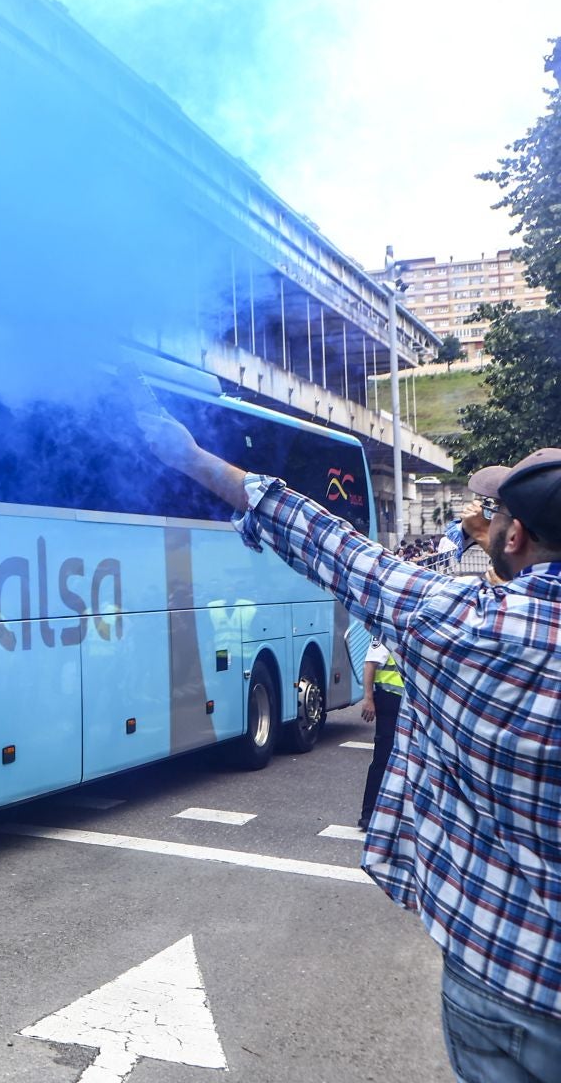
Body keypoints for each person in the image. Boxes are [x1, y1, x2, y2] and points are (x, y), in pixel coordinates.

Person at [143, 409, 561, 1082]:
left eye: (496, 513)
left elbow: (333, 546)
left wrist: (191, 459)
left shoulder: (460, 624)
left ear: (514, 537)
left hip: (504, 980)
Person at [358, 636, 403, 832]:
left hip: (410, 704)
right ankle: (368, 814)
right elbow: (370, 664)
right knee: (383, 759)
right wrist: (368, 698)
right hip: (389, 701)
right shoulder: (386, 631)